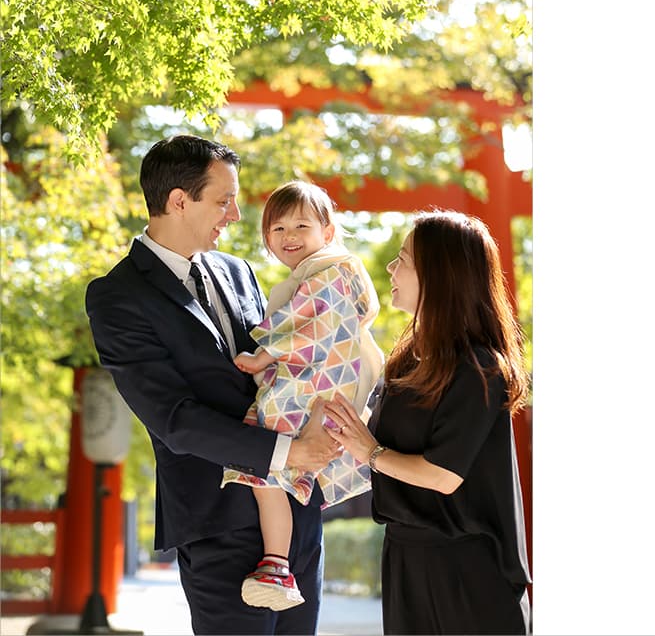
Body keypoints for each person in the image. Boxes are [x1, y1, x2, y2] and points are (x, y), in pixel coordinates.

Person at [85, 135, 340, 636]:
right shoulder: (117, 297)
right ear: (179, 201)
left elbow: (285, 365)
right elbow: (175, 420)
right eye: (224, 200)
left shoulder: (238, 270)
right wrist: (291, 451)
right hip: (217, 520)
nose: (237, 215)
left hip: (296, 514)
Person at [324, 210, 532, 635]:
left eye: (403, 259)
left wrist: (371, 451)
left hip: (466, 573)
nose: (390, 268)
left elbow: (443, 474)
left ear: (440, 275)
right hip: (404, 557)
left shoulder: (479, 367)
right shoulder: (406, 359)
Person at [220, 180, 383, 610]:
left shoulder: (329, 274)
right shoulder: (325, 273)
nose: (289, 237)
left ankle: (276, 562)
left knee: (261, 458)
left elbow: (308, 325)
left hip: (318, 384)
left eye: (302, 226)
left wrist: (262, 356)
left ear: (327, 233)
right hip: (324, 384)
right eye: (278, 229)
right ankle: (277, 563)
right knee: (272, 472)